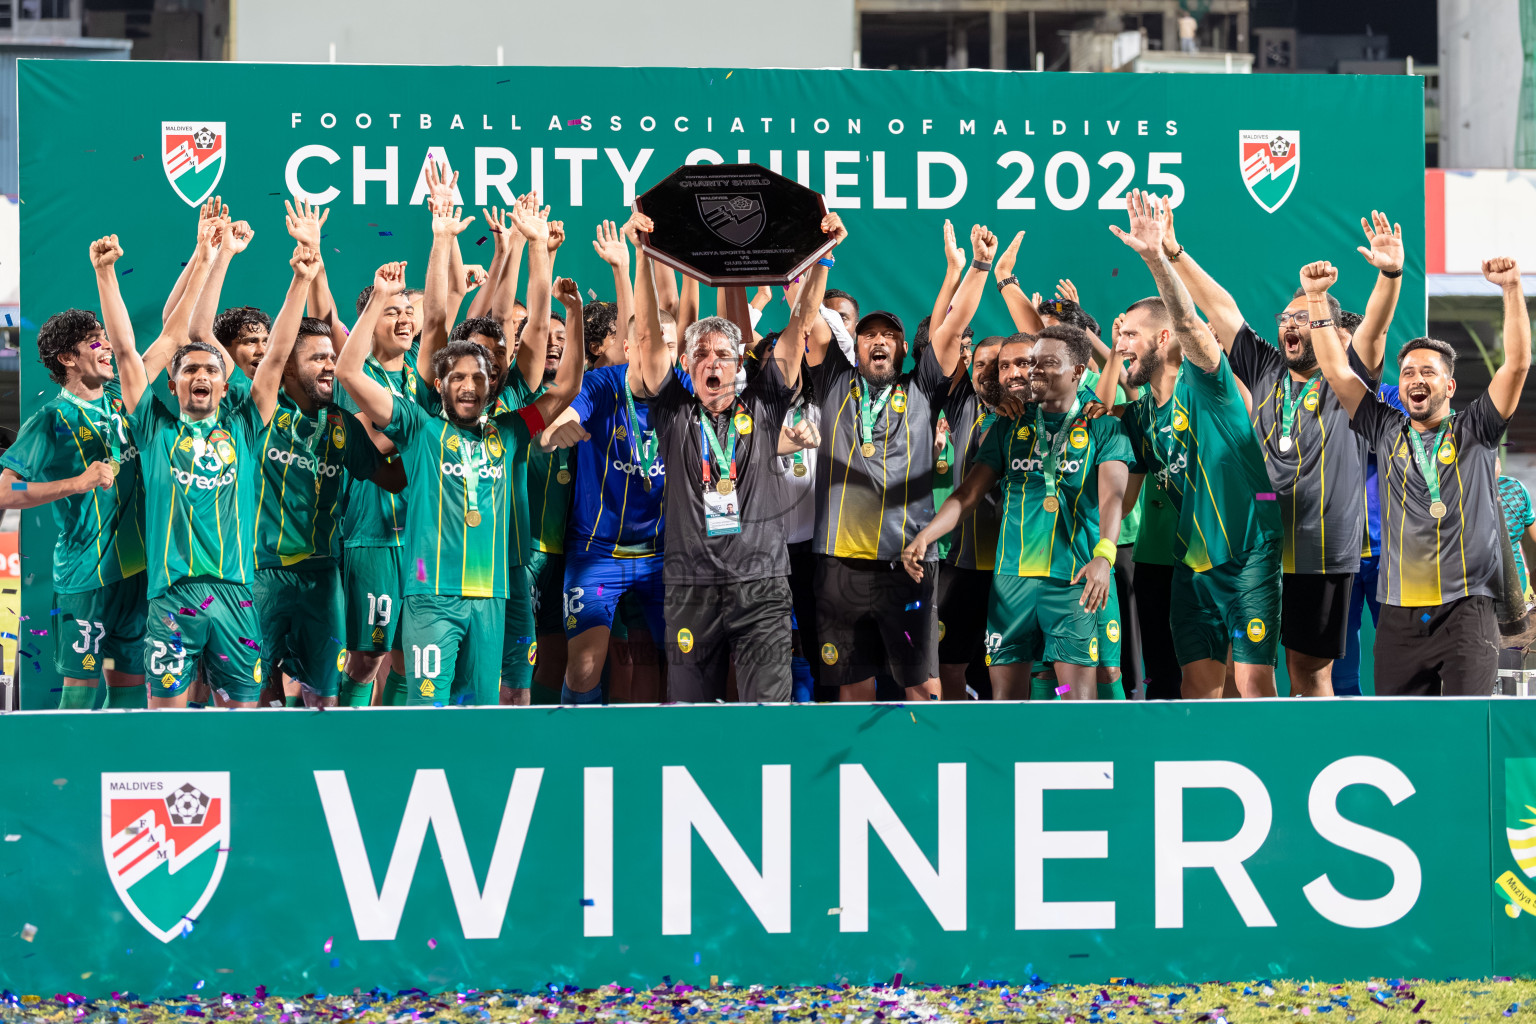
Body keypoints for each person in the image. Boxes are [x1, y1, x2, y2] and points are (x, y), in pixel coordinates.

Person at [1161, 204, 1404, 695]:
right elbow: (1222, 311)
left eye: (1306, 318)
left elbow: (1374, 331)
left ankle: (1308, 760)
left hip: (1321, 552)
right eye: (1286, 318)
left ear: (1330, 332)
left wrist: (1390, 274)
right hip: (1253, 549)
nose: (1292, 326)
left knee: (1309, 675)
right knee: (1240, 673)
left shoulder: (1347, 382)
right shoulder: (1266, 368)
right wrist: (1175, 253)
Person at [336, 244, 579, 705]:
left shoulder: (508, 432)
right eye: (457, 378)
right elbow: (349, 370)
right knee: (428, 705)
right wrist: (379, 298)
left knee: (482, 707)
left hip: (491, 596)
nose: (468, 386)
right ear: (439, 384)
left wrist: (576, 313)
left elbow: (566, 386)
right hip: (431, 594)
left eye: (479, 378)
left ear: (493, 385)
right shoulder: (419, 427)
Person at [632, 213, 842, 700]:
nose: (712, 361)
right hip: (689, 588)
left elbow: (801, 324)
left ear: (739, 362)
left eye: (724, 353)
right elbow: (646, 337)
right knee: (688, 713)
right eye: (701, 353)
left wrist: (824, 255)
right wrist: (644, 255)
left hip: (762, 586)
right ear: (685, 363)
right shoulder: (672, 411)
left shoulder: (766, 403)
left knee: (768, 713)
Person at [1306, 256, 1530, 695]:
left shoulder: (1477, 428)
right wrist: (1315, 299)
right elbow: (1336, 370)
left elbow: (1517, 365)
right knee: (1402, 735)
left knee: (1466, 731)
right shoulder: (1385, 427)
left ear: (1449, 386)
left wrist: (1511, 288)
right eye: (1408, 372)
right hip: (1398, 616)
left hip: (1466, 611)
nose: (1416, 379)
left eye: (1428, 372)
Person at [118, 238, 314, 708]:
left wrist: (302, 279)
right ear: (172, 381)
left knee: (242, 719)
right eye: (189, 369)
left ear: (227, 384)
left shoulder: (245, 428)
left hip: (236, 597)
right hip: (172, 601)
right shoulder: (153, 428)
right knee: (165, 721)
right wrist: (107, 276)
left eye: (211, 368)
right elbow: (127, 356)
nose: (201, 375)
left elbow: (278, 353)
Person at [807, 223, 996, 702]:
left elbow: (950, 328)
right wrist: (823, 254)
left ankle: (932, 770)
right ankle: (858, 772)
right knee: (853, 685)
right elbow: (809, 321)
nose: (878, 340)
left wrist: (974, 269)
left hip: (908, 560)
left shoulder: (922, 387)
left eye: (888, 335)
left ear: (902, 348)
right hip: (839, 562)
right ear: (855, 345)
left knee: (923, 684)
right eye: (868, 333)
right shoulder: (832, 381)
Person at [1110, 190, 1282, 699]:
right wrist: (1096, 551)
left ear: (1164, 341)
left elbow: (1189, 321)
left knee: (1252, 685)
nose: (1121, 344)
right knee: (1196, 689)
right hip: (1192, 562)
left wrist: (1157, 258)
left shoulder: (1210, 384)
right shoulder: (1139, 415)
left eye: (1131, 334)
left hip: (1249, 552)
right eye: (1119, 334)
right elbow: (1125, 495)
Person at [903, 327, 1132, 698]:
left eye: (1046, 363)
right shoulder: (1007, 425)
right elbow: (967, 493)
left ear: (1077, 371)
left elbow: (1113, 498)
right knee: (1009, 705)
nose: (1034, 371)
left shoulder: (1104, 426)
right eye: (1034, 362)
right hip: (1011, 583)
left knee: (1082, 698)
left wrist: (1105, 554)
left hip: (1072, 580)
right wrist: (927, 535)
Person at [0, 236, 149, 709]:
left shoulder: (124, 399)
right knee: (81, 692)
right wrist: (77, 483)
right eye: (94, 343)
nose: (107, 348)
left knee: (130, 685)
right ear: (68, 358)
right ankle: (68, 782)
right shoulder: (47, 421)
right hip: (86, 576)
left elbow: (166, 340)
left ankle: (126, 775)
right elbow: (5, 492)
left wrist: (207, 255)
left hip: (138, 571)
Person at [540, 211, 675, 705]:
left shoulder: (680, 390)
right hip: (598, 552)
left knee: (682, 663)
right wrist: (556, 431)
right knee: (584, 667)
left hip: (663, 555)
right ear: (629, 348)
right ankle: (576, 753)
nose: (657, 357)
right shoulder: (600, 384)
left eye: (668, 348)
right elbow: (558, 417)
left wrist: (639, 255)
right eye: (646, 346)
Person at [251, 314, 403, 708]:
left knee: (325, 700)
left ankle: (319, 765)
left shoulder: (342, 424)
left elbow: (394, 478)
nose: (331, 365)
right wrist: (304, 276)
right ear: (286, 366)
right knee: (259, 697)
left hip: (323, 578)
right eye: (318, 358)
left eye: (333, 357)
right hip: (261, 575)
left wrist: (423, 435)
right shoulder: (260, 411)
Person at [331, 237, 420, 707]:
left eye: (408, 311)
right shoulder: (358, 377)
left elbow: (443, 315)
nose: (404, 318)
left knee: (410, 654)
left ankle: (396, 745)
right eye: (392, 312)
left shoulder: (421, 380)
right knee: (368, 655)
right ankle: (346, 736)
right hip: (372, 536)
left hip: (421, 538)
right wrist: (379, 295)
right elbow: (378, 442)